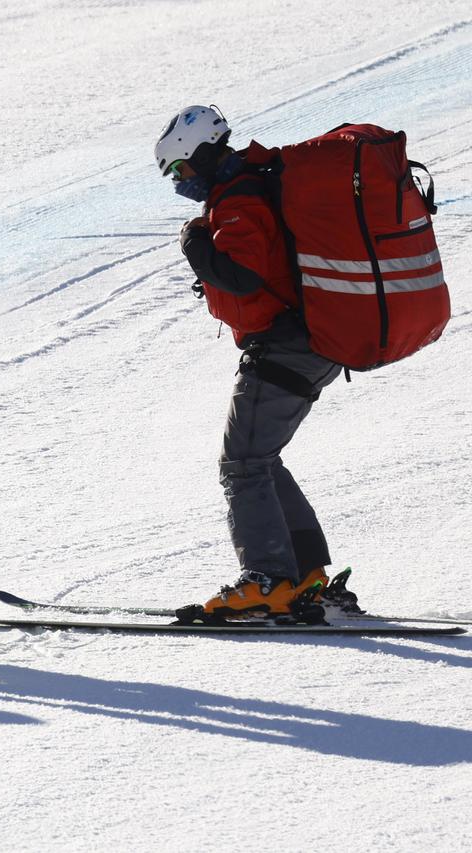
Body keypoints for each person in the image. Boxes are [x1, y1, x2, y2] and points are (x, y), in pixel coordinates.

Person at [155, 105, 350, 617]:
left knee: (242, 465)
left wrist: (194, 244)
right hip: (313, 340)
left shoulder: (239, 200)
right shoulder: (253, 185)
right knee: (259, 459)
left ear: (199, 156)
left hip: (287, 344)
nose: (179, 183)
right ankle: (304, 575)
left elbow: (241, 276)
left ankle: (268, 580)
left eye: (180, 170)